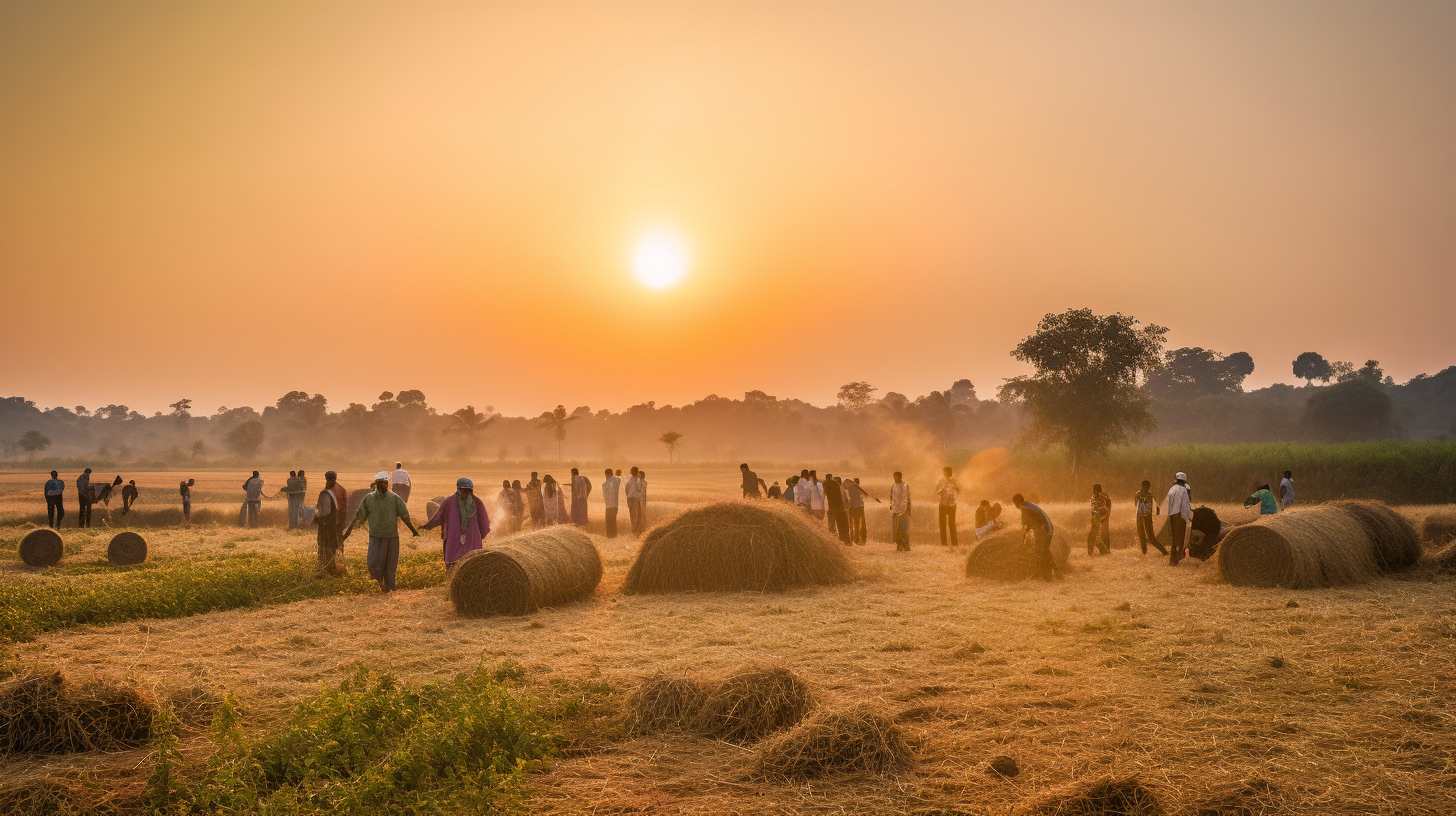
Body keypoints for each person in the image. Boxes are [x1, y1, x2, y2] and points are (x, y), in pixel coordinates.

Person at [342, 471, 419, 592]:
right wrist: (349, 531)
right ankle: (380, 582)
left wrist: (413, 530)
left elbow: (404, 516)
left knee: (391, 565)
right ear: (377, 484)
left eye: (386, 483)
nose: (384, 485)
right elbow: (360, 516)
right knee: (373, 563)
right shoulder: (369, 499)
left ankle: (390, 587)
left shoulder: (394, 498)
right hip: (375, 537)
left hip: (392, 537)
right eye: (382, 483)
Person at [424, 477, 491, 568]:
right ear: (458, 489)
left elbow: (439, 517)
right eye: (464, 490)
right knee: (464, 564)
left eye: (467, 490)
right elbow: (485, 524)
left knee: (465, 564)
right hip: (465, 540)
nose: (465, 493)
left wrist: (428, 525)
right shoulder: (473, 501)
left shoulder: (450, 501)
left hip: (461, 540)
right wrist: (480, 535)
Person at [1013, 493, 1058, 581]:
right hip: (1048, 529)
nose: (1015, 506)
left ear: (1018, 502)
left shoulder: (1025, 508)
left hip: (1044, 531)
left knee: (1041, 552)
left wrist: (1024, 536)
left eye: (1014, 503)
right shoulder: (1029, 505)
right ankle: (1056, 572)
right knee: (1045, 551)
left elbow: (1028, 524)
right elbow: (1031, 521)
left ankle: (1047, 576)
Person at [313, 471, 347, 577]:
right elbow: (345, 507)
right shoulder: (342, 489)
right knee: (337, 545)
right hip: (339, 522)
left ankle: (326, 568)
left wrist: (316, 518)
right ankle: (338, 567)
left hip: (327, 524)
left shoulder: (326, 492)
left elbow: (325, 511)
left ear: (326, 478)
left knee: (324, 545)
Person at [1166, 472, 1193, 566]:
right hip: (1180, 516)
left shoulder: (1171, 489)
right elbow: (1185, 505)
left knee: (1174, 539)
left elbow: (1168, 504)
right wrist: (1188, 518)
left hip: (1172, 516)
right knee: (1180, 539)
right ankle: (1177, 560)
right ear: (1184, 481)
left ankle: (1172, 561)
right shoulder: (1183, 490)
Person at [1133, 480, 1165, 555]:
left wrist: (1155, 511)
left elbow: (1157, 508)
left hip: (1144, 518)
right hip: (1141, 518)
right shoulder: (1143, 494)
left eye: (1147, 487)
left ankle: (1164, 552)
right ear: (1143, 486)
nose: (1147, 489)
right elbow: (1157, 509)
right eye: (1146, 487)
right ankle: (1144, 553)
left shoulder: (1146, 495)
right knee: (1142, 537)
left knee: (1150, 538)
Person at [935, 466, 959, 547]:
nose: (947, 473)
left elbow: (958, 491)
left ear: (951, 472)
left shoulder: (954, 481)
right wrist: (942, 490)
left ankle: (954, 543)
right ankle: (944, 544)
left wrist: (955, 489)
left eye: (949, 472)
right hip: (943, 504)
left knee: (952, 524)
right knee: (942, 524)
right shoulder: (940, 481)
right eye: (946, 472)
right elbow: (937, 491)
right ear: (944, 473)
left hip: (952, 505)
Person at [890, 471, 912, 551]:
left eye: (896, 477)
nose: (894, 478)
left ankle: (906, 546)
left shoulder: (905, 485)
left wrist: (908, 509)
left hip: (904, 510)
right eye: (894, 477)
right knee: (896, 529)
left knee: (904, 529)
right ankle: (899, 545)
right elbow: (891, 496)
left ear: (900, 477)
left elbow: (908, 497)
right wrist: (891, 507)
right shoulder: (893, 485)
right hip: (895, 510)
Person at [1087, 484, 1111, 556]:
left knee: (1093, 537)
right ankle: (1105, 552)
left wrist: (1106, 516)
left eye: (1095, 490)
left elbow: (1108, 505)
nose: (1094, 491)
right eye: (1094, 490)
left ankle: (1102, 552)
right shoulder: (1093, 497)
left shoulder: (1102, 497)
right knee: (1095, 538)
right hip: (1095, 518)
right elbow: (1093, 508)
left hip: (1099, 518)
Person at [845, 477, 870, 544]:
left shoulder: (851, 488)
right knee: (858, 523)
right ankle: (857, 538)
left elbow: (849, 497)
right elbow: (866, 495)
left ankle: (855, 538)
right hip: (859, 507)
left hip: (854, 507)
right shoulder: (857, 488)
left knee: (855, 523)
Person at [824, 474, 846, 540]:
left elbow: (824, 493)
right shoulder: (837, 485)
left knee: (831, 524)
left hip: (833, 508)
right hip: (839, 507)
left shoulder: (828, 484)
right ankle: (839, 537)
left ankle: (833, 537)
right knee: (838, 523)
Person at [625, 467, 646, 534]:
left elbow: (626, 488)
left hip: (629, 498)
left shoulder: (629, 479)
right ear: (637, 472)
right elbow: (639, 488)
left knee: (632, 515)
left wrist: (628, 495)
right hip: (635, 499)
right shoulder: (638, 479)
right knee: (637, 515)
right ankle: (636, 531)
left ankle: (634, 530)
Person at [602, 468, 621, 538]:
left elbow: (606, 494)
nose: (605, 476)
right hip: (615, 504)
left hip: (609, 505)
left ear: (608, 474)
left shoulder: (607, 483)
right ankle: (614, 535)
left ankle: (610, 535)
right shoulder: (617, 480)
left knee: (609, 521)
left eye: (606, 475)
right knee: (613, 520)